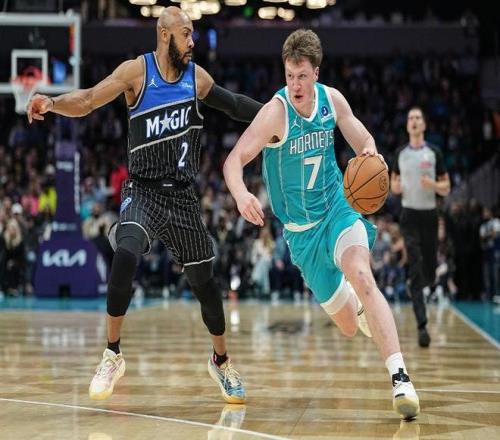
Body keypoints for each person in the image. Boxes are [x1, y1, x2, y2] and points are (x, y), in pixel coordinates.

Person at [27, 6, 262, 404]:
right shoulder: (136, 72)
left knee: (206, 285)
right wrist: (52, 103)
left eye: (192, 34)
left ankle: (221, 361)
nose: (192, 41)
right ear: (164, 34)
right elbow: (87, 101)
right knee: (126, 252)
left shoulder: (197, 78)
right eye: (186, 33)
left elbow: (236, 105)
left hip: (183, 196)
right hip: (143, 190)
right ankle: (112, 354)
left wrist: (280, 116)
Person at [223, 29, 419, 420]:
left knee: (362, 275)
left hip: (337, 209)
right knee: (347, 326)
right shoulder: (275, 113)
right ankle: (361, 310)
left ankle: (400, 378)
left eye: (302, 76)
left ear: (316, 72)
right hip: (301, 235)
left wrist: (371, 155)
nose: (295, 84)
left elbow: (364, 139)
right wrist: (242, 194)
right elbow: (234, 160)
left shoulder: (332, 100)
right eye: (289, 76)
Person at [391, 107, 450, 347]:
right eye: (410, 118)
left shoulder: (434, 153)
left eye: (418, 118)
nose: (414, 121)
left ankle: (417, 283)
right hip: (409, 215)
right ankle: (422, 326)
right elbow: (394, 184)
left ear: (424, 125)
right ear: (407, 126)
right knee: (415, 265)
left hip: (429, 215)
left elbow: (446, 187)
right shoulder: (400, 154)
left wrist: (433, 185)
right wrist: (396, 187)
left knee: (430, 271)